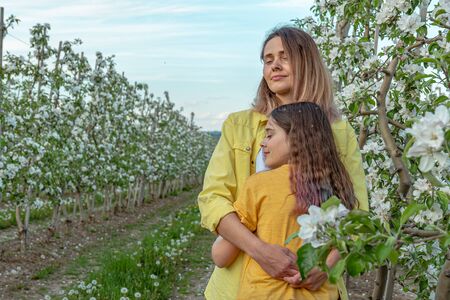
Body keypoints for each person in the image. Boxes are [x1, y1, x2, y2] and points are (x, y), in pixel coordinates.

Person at [197, 26, 368, 300]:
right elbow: (213, 198)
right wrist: (258, 250)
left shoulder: (338, 131)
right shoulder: (240, 125)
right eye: (267, 59)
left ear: (307, 63)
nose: (274, 65)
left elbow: (357, 210)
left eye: (284, 57)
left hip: (313, 287)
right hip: (242, 285)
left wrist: (326, 263)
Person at [211, 102, 357, 299]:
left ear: (296, 139)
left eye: (270, 135)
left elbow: (221, 256)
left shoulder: (259, 185)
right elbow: (346, 243)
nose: (263, 143)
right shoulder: (338, 186)